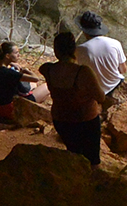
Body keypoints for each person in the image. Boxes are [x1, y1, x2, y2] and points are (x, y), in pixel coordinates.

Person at [39, 31, 107, 166]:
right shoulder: (83, 72)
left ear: (56, 51)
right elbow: (101, 97)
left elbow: (44, 70)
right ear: (74, 50)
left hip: (62, 120)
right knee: (91, 158)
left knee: (73, 152)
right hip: (85, 121)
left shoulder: (47, 69)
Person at [75, 11, 127, 109]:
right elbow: (123, 70)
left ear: (83, 31)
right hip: (115, 85)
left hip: (94, 91)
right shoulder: (115, 43)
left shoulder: (80, 50)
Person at [0, 41, 50, 119]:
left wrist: (10, 63)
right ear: (8, 56)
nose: (18, 55)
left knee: (33, 85)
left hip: (0, 107)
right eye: (16, 53)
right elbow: (36, 78)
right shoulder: (9, 73)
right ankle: (31, 112)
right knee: (46, 87)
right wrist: (25, 70)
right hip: (12, 110)